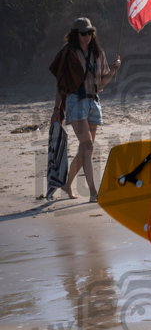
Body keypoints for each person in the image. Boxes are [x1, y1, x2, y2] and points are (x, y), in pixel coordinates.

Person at [49, 16, 121, 202]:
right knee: (88, 146)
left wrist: (113, 70)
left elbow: (100, 84)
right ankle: (93, 193)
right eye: (83, 33)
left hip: (94, 102)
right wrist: (57, 109)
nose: (87, 36)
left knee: (85, 150)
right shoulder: (68, 53)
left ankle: (66, 185)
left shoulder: (98, 53)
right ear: (75, 34)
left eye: (89, 32)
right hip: (75, 101)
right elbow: (60, 84)